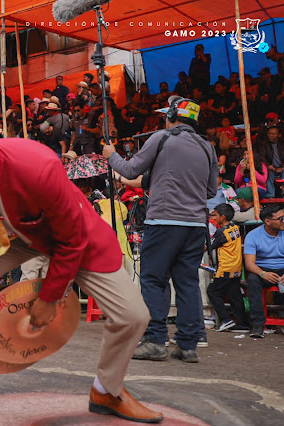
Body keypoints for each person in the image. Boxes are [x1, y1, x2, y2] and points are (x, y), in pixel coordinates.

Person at [0, 106, 162, 425]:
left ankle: (106, 390)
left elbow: (70, 241)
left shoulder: (39, 166)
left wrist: (50, 297)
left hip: (75, 239)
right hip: (11, 237)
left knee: (134, 316)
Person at [104, 96, 217, 363]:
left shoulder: (162, 137)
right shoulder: (206, 146)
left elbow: (130, 169)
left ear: (172, 116)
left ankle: (155, 341)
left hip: (164, 222)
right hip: (194, 225)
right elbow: (211, 190)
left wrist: (112, 156)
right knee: (187, 283)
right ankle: (188, 345)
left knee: (153, 280)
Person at [206, 204, 250, 333]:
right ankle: (242, 324)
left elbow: (208, 246)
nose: (214, 218)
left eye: (215, 215)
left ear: (222, 216)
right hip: (236, 268)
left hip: (225, 268)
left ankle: (226, 320)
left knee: (212, 292)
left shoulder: (221, 232)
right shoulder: (235, 227)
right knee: (235, 295)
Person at [242, 205, 284, 338]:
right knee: (253, 280)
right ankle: (258, 325)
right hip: (263, 269)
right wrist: (263, 274)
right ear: (267, 221)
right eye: (281, 219)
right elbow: (249, 264)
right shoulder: (253, 236)